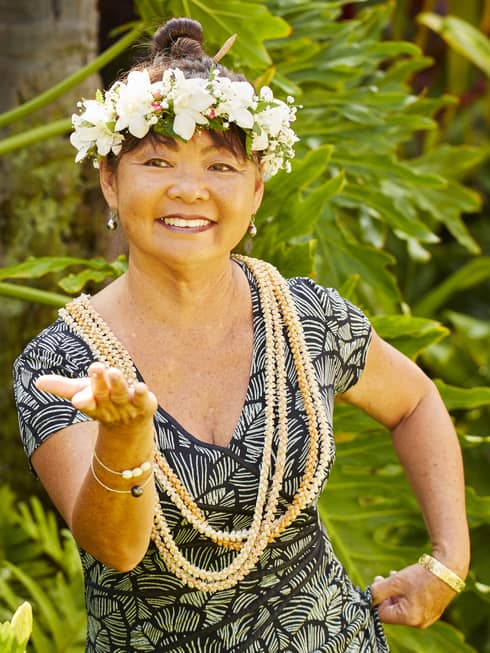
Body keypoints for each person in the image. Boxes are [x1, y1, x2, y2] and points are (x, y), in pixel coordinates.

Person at [13, 16, 470, 653]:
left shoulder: (301, 315)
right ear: (109, 181)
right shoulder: (64, 361)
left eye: (221, 165)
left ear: (256, 190)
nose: (189, 188)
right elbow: (117, 549)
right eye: (156, 159)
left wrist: (449, 559)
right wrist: (123, 437)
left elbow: (415, 401)